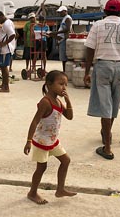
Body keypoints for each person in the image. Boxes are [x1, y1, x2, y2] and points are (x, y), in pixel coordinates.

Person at [84, 0, 120, 160]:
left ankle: (107, 147)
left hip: (103, 66)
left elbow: (90, 49)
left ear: (105, 11)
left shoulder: (98, 25)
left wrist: (87, 71)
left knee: (105, 106)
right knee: (114, 105)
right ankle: (106, 133)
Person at [23, 70, 76, 204]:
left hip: (52, 140)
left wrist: (68, 100)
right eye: (61, 84)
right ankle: (32, 192)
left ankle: (60, 189)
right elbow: (34, 121)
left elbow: (69, 117)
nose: (64, 87)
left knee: (66, 160)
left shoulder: (57, 101)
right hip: (42, 141)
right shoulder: (45, 102)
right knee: (41, 168)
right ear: (49, 84)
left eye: (66, 85)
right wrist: (28, 141)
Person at [0, 11, 16, 93]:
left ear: (0, 17)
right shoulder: (6, 23)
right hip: (3, 49)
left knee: (4, 67)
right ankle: (3, 84)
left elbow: (12, 35)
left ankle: (6, 87)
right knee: (2, 67)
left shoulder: (6, 24)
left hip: (6, 49)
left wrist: (4, 43)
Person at [48, 6, 72, 72]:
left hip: (64, 39)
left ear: (65, 11)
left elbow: (67, 29)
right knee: (62, 57)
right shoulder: (64, 18)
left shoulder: (68, 18)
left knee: (64, 57)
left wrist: (57, 32)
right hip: (61, 39)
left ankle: (65, 71)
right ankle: (64, 71)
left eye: (61, 12)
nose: (60, 13)